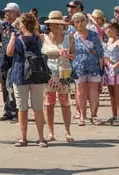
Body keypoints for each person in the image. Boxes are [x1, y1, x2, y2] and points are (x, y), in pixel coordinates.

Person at [7, 12, 48, 148]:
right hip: (37, 75)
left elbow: (9, 53)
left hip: (20, 74)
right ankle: (41, 138)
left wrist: (12, 37)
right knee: (38, 107)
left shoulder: (18, 39)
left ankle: (23, 137)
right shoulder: (38, 38)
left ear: (22, 24)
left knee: (22, 108)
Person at [42, 11, 75, 143]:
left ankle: (68, 131)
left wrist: (68, 55)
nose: (55, 27)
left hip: (64, 71)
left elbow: (74, 55)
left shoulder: (69, 37)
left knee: (65, 102)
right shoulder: (43, 38)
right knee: (49, 103)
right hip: (48, 72)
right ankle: (51, 132)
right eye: (52, 24)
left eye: (58, 24)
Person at [70, 12, 104, 126]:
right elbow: (70, 52)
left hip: (93, 65)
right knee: (81, 92)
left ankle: (94, 115)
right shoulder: (72, 37)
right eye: (77, 21)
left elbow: (100, 51)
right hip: (79, 66)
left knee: (94, 91)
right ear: (74, 24)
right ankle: (82, 116)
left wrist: (101, 65)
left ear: (86, 21)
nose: (80, 23)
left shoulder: (93, 35)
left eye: (82, 21)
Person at [0, 2, 21, 122]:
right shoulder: (4, 25)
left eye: (10, 12)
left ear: (17, 14)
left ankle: (16, 111)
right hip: (4, 58)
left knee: (13, 86)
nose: (7, 14)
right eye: (6, 12)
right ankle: (8, 110)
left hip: (15, 58)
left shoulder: (19, 25)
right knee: (4, 86)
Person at [102, 21, 119, 125]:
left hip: (116, 70)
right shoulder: (106, 43)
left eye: (111, 29)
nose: (108, 30)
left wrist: (117, 65)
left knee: (117, 93)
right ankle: (114, 115)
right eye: (107, 29)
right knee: (111, 94)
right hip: (108, 70)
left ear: (117, 30)